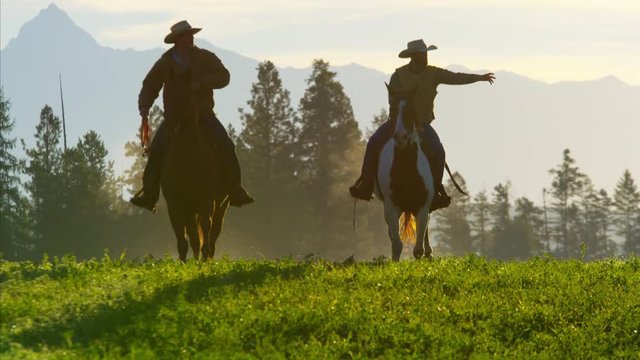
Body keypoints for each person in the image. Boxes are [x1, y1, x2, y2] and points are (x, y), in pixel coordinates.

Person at [349, 39, 495, 211]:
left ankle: (435, 191)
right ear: (413, 56)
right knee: (373, 143)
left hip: (422, 124)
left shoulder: (433, 73)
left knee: (438, 151)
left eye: (425, 54)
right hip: (398, 123)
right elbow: (392, 101)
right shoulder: (398, 76)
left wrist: (479, 78)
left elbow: (455, 77)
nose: (425, 57)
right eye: (422, 54)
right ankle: (366, 185)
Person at [130, 20, 254, 212]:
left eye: (191, 35)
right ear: (178, 40)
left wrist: (203, 82)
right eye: (188, 35)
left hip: (203, 116)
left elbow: (224, 76)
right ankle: (149, 195)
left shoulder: (206, 58)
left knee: (226, 146)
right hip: (173, 120)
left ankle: (235, 189)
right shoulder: (165, 64)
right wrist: (144, 107)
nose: (192, 38)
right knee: (156, 152)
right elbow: (150, 86)